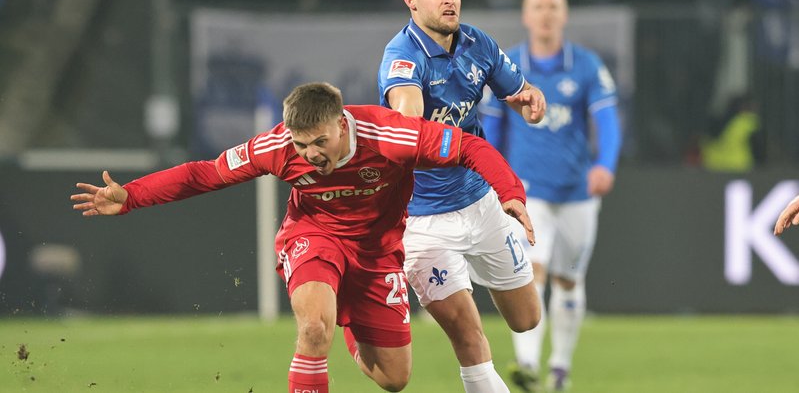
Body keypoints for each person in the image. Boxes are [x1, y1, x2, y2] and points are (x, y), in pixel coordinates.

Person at [70, 82, 535, 393]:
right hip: (314, 237)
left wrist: (511, 194)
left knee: (395, 379)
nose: (310, 154)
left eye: (319, 142)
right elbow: (204, 173)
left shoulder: (389, 135)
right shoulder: (276, 148)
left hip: (378, 252)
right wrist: (131, 196)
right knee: (313, 327)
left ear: (341, 123)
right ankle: (332, 318)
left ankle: (350, 319)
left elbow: (470, 146)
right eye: (301, 144)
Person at [378, 0, 546, 393]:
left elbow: (517, 89)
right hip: (423, 222)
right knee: (470, 338)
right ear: (411, 1)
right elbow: (406, 107)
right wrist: (409, 112)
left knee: (527, 319)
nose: (449, 0)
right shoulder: (401, 56)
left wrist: (530, 98)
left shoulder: (479, 44)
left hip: (481, 202)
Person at [480, 0, 622, 392]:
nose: (545, 14)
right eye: (538, 7)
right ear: (526, 16)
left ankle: (559, 367)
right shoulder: (508, 68)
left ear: (564, 14)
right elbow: (490, 128)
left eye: (553, 7)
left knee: (568, 280)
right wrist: (495, 176)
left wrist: (605, 164)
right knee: (531, 270)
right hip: (528, 191)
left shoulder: (587, 66)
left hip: (578, 193)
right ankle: (526, 365)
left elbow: (608, 122)